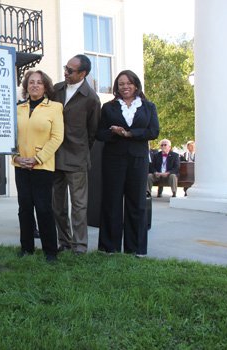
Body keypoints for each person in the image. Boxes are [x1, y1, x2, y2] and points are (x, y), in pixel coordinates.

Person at [96, 70, 159, 257]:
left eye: (129, 83)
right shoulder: (108, 107)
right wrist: (113, 132)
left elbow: (153, 131)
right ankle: (109, 247)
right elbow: (99, 134)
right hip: (113, 159)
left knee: (137, 203)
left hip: (138, 160)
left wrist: (131, 134)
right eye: (121, 84)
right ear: (117, 86)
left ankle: (136, 249)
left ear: (136, 85)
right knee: (112, 202)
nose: (125, 87)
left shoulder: (148, 107)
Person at [12, 70, 64, 262]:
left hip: (42, 166)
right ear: (26, 86)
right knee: (24, 207)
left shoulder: (55, 107)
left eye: (39, 83)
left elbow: (57, 137)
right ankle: (27, 248)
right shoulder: (18, 108)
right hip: (21, 166)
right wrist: (16, 158)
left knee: (43, 208)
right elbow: (11, 137)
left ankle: (50, 251)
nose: (34, 85)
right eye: (31, 82)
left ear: (45, 86)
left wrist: (38, 158)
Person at [52, 54, 101, 254]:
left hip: (77, 159)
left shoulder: (91, 99)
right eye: (66, 68)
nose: (66, 72)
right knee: (57, 205)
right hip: (54, 156)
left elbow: (93, 132)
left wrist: (80, 151)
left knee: (79, 206)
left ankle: (80, 247)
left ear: (83, 73)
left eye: (70, 70)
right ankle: (64, 242)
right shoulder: (56, 90)